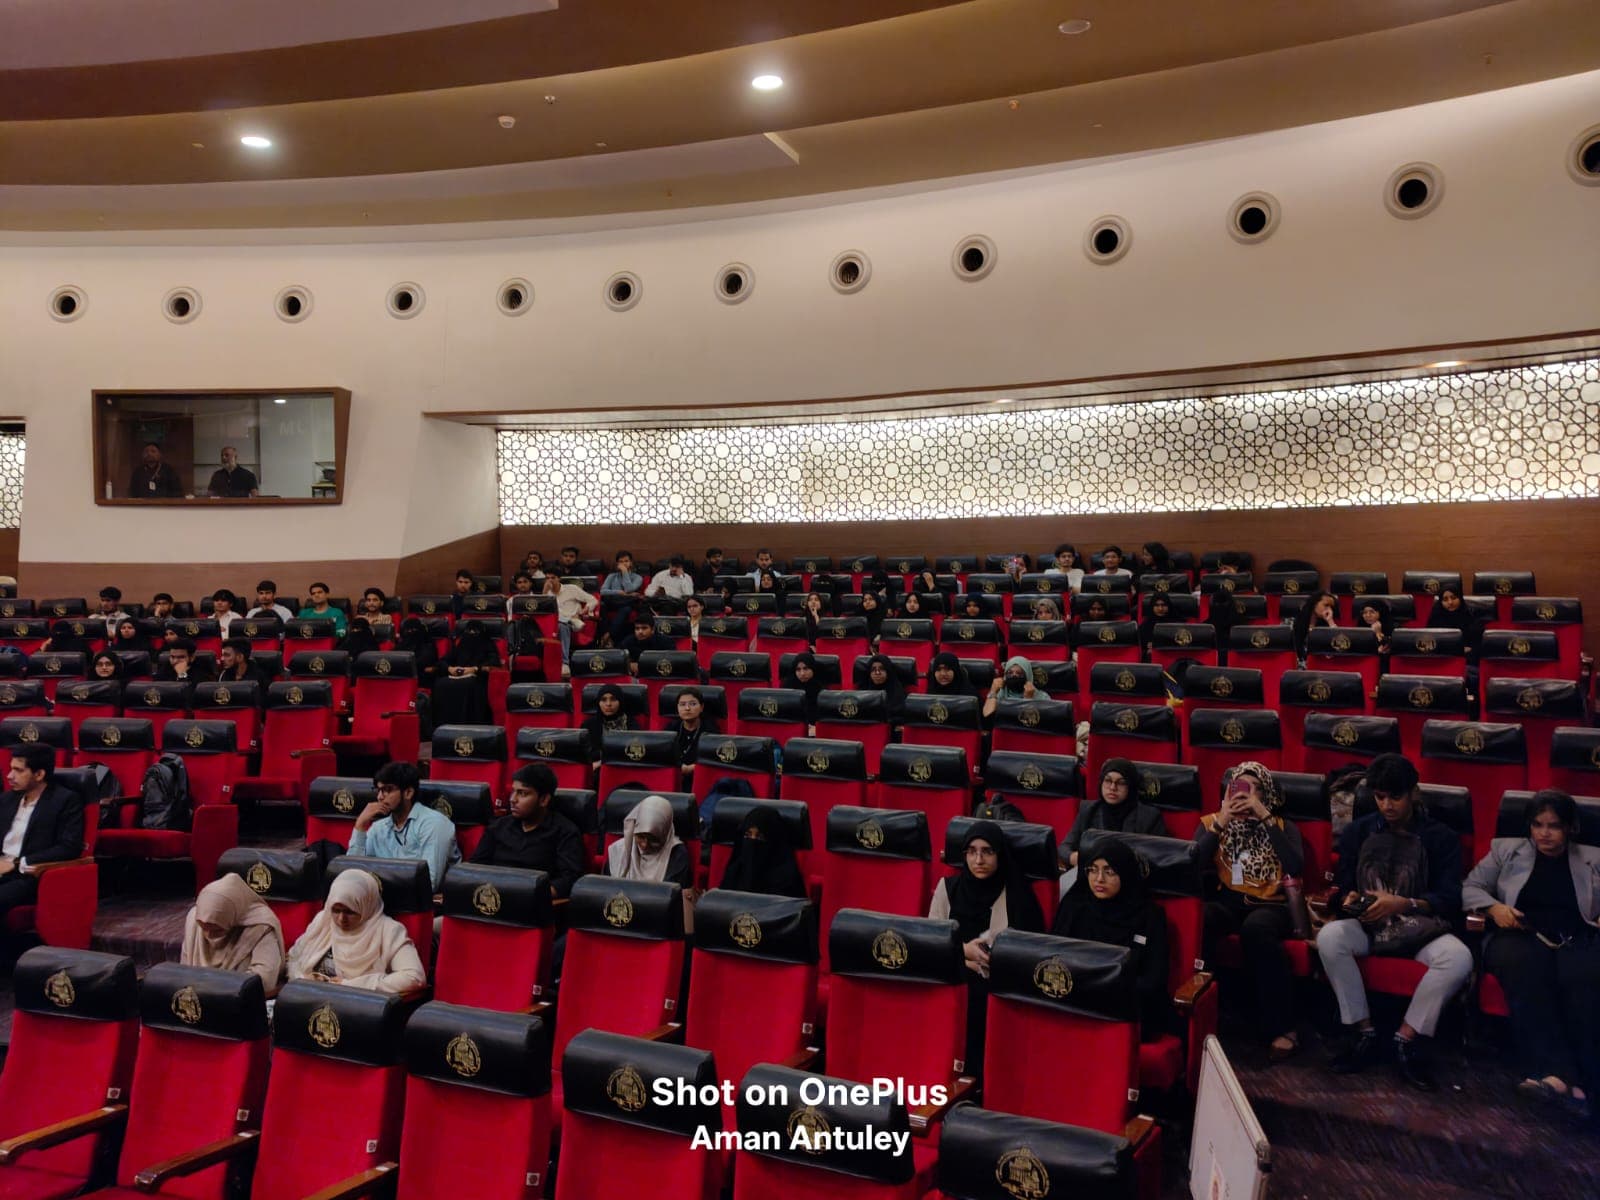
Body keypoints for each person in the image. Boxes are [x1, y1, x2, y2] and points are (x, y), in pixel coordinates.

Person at [1317, 753, 1471, 1091]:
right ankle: (1364, 1032)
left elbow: (1450, 898)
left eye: (1395, 797)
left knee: (1459, 957)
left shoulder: (1441, 837)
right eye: (1380, 797)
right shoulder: (1359, 831)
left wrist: (1405, 903)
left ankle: (1406, 1038)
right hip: (1370, 925)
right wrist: (1348, 899)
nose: (1387, 805)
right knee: (1330, 937)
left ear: (1414, 792)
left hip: (1421, 928)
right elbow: (1343, 884)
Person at [1464, 789, 1600, 1116]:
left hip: (1574, 936)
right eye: (1537, 825)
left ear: (1570, 828)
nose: (1544, 834)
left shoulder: (1593, 857)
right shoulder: (1505, 851)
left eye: (1553, 826)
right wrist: (1495, 908)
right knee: (1526, 968)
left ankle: (1575, 1081)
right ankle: (1560, 1076)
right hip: (1519, 935)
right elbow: (1470, 887)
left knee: (1580, 978)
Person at [1195, 761, 1306, 1059]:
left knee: (1256, 929)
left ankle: (1282, 1027)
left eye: (1254, 789)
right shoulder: (1211, 822)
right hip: (1228, 901)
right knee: (1202, 918)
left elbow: (1294, 866)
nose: (1246, 794)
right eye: (1240, 787)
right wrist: (1222, 821)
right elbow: (1191, 865)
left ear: (1266, 794)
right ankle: (1202, 1015)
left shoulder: (1282, 826)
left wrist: (1264, 816)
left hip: (1271, 905)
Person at [928, 820, 1045, 1074]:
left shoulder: (1018, 896)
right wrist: (964, 954)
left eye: (987, 851)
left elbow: (1031, 957)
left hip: (999, 986)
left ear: (1000, 854)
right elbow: (930, 948)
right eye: (971, 852)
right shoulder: (947, 889)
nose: (978, 860)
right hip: (952, 980)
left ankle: (975, 1079)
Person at [1052, 837, 1171, 1038]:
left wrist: (1108, 993)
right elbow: (1054, 961)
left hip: (1127, 1009)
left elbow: (1154, 979)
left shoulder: (1150, 916)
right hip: (1075, 1005)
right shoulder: (1074, 908)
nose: (1099, 879)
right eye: (1093, 870)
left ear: (1125, 873)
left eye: (1109, 872)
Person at [286, 869, 427, 993]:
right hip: (310, 999)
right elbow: (293, 958)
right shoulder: (324, 920)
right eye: (336, 910)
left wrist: (354, 985)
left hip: (357, 1007)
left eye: (350, 912)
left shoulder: (389, 930)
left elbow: (414, 977)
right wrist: (303, 978)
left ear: (365, 907)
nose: (341, 919)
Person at [470, 763, 585, 898]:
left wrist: (532, 896)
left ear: (544, 799)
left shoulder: (565, 832)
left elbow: (569, 880)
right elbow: (474, 868)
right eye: (513, 791)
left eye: (522, 793)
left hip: (532, 904)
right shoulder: (498, 827)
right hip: (491, 898)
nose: (513, 799)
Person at [0, 745, 86, 922]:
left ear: (39, 774)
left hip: (30, 875)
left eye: (18, 770)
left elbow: (69, 847)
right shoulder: (7, 799)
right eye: (10, 769)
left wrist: (16, 863)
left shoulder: (65, 801)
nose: (9, 776)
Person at [349, 761, 460, 892]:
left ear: (408, 793)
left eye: (387, 790)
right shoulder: (378, 828)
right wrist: (361, 824)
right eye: (378, 790)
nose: (379, 797)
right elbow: (352, 876)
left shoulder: (434, 824)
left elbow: (429, 883)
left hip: (421, 902)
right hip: (383, 896)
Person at [182, 874, 285, 997]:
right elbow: (183, 971)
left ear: (233, 919)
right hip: (199, 996)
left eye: (217, 930)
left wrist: (212, 987)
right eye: (204, 928)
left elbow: (265, 981)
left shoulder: (260, 926)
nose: (209, 935)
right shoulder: (195, 919)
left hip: (240, 999)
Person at [1059, 759, 1167, 871]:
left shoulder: (1149, 817)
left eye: (1121, 783)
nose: (1112, 788)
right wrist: (1075, 858)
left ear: (1131, 786)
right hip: (1092, 874)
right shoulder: (1088, 810)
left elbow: (1161, 856)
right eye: (1107, 781)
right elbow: (1064, 848)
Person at [604, 794, 693, 888]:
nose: (645, 845)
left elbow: (671, 893)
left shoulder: (676, 854)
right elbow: (605, 889)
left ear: (665, 834)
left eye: (653, 840)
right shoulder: (618, 851)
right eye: (640, 836)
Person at [721, 805, 806, 899]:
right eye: (748, 835)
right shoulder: (735, 872)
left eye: (759, 837)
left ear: (773, 842)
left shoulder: (787, 881)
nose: (752, 842)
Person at [430, 623, 499, 726]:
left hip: (478, 677)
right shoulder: (461, 645)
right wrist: (450, 668)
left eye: (475, 632)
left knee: (469, 685)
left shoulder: (488, 645)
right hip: (457, 675)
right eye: (468, 631)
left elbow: (493, 663)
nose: (471, 634)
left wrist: (474, 669)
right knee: (440, 684)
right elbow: (443, 661)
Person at [545, 573, 599, 666]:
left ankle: (564, 663)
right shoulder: (546, 593)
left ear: (559, 578)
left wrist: (585, 610)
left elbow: (593, 600)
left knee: (562, 626)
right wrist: (545, 592)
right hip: (553, 622)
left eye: (553, 578)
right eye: (547, 578)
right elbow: (543, 610)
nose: (550, 581)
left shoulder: (571, 589)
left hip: (572, 622)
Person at [667, 687, 718, 780]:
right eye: (682, 704)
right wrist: (679, 767)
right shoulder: (671, 728)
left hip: (702, 777)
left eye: (692, 704)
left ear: (701, 707)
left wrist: (693, 768)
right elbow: (663, 754)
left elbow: (714, 758)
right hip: (674, 776)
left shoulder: (711, 730)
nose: (687, 708)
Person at [779, 651, 824, 731]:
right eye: (798, 670)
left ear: (812, 668)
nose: (802, 673)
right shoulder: (788, 686)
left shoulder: (820, 687)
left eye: (806, 669)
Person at [1292, 591, 1340, 658]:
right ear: (1315, 604)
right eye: (1326, 605)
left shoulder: (1327, 625)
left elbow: (1335, 649)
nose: (1329, 609)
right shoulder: (1297, 622)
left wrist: (1330, 622)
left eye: (1331, 607)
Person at [860, 653, 907, 718]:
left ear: (888, 672)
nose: (877, 673)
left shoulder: (898, 695)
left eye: (881, 669)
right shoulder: (862, 694)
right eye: (873, 669)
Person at [394, 617, 440, 684]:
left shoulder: (428, 644)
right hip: (401, 680)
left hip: (422, 681)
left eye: (413, 630)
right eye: (408, 630)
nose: (410, 632)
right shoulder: (402, 644)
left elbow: (422, 662)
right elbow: (393, 660)